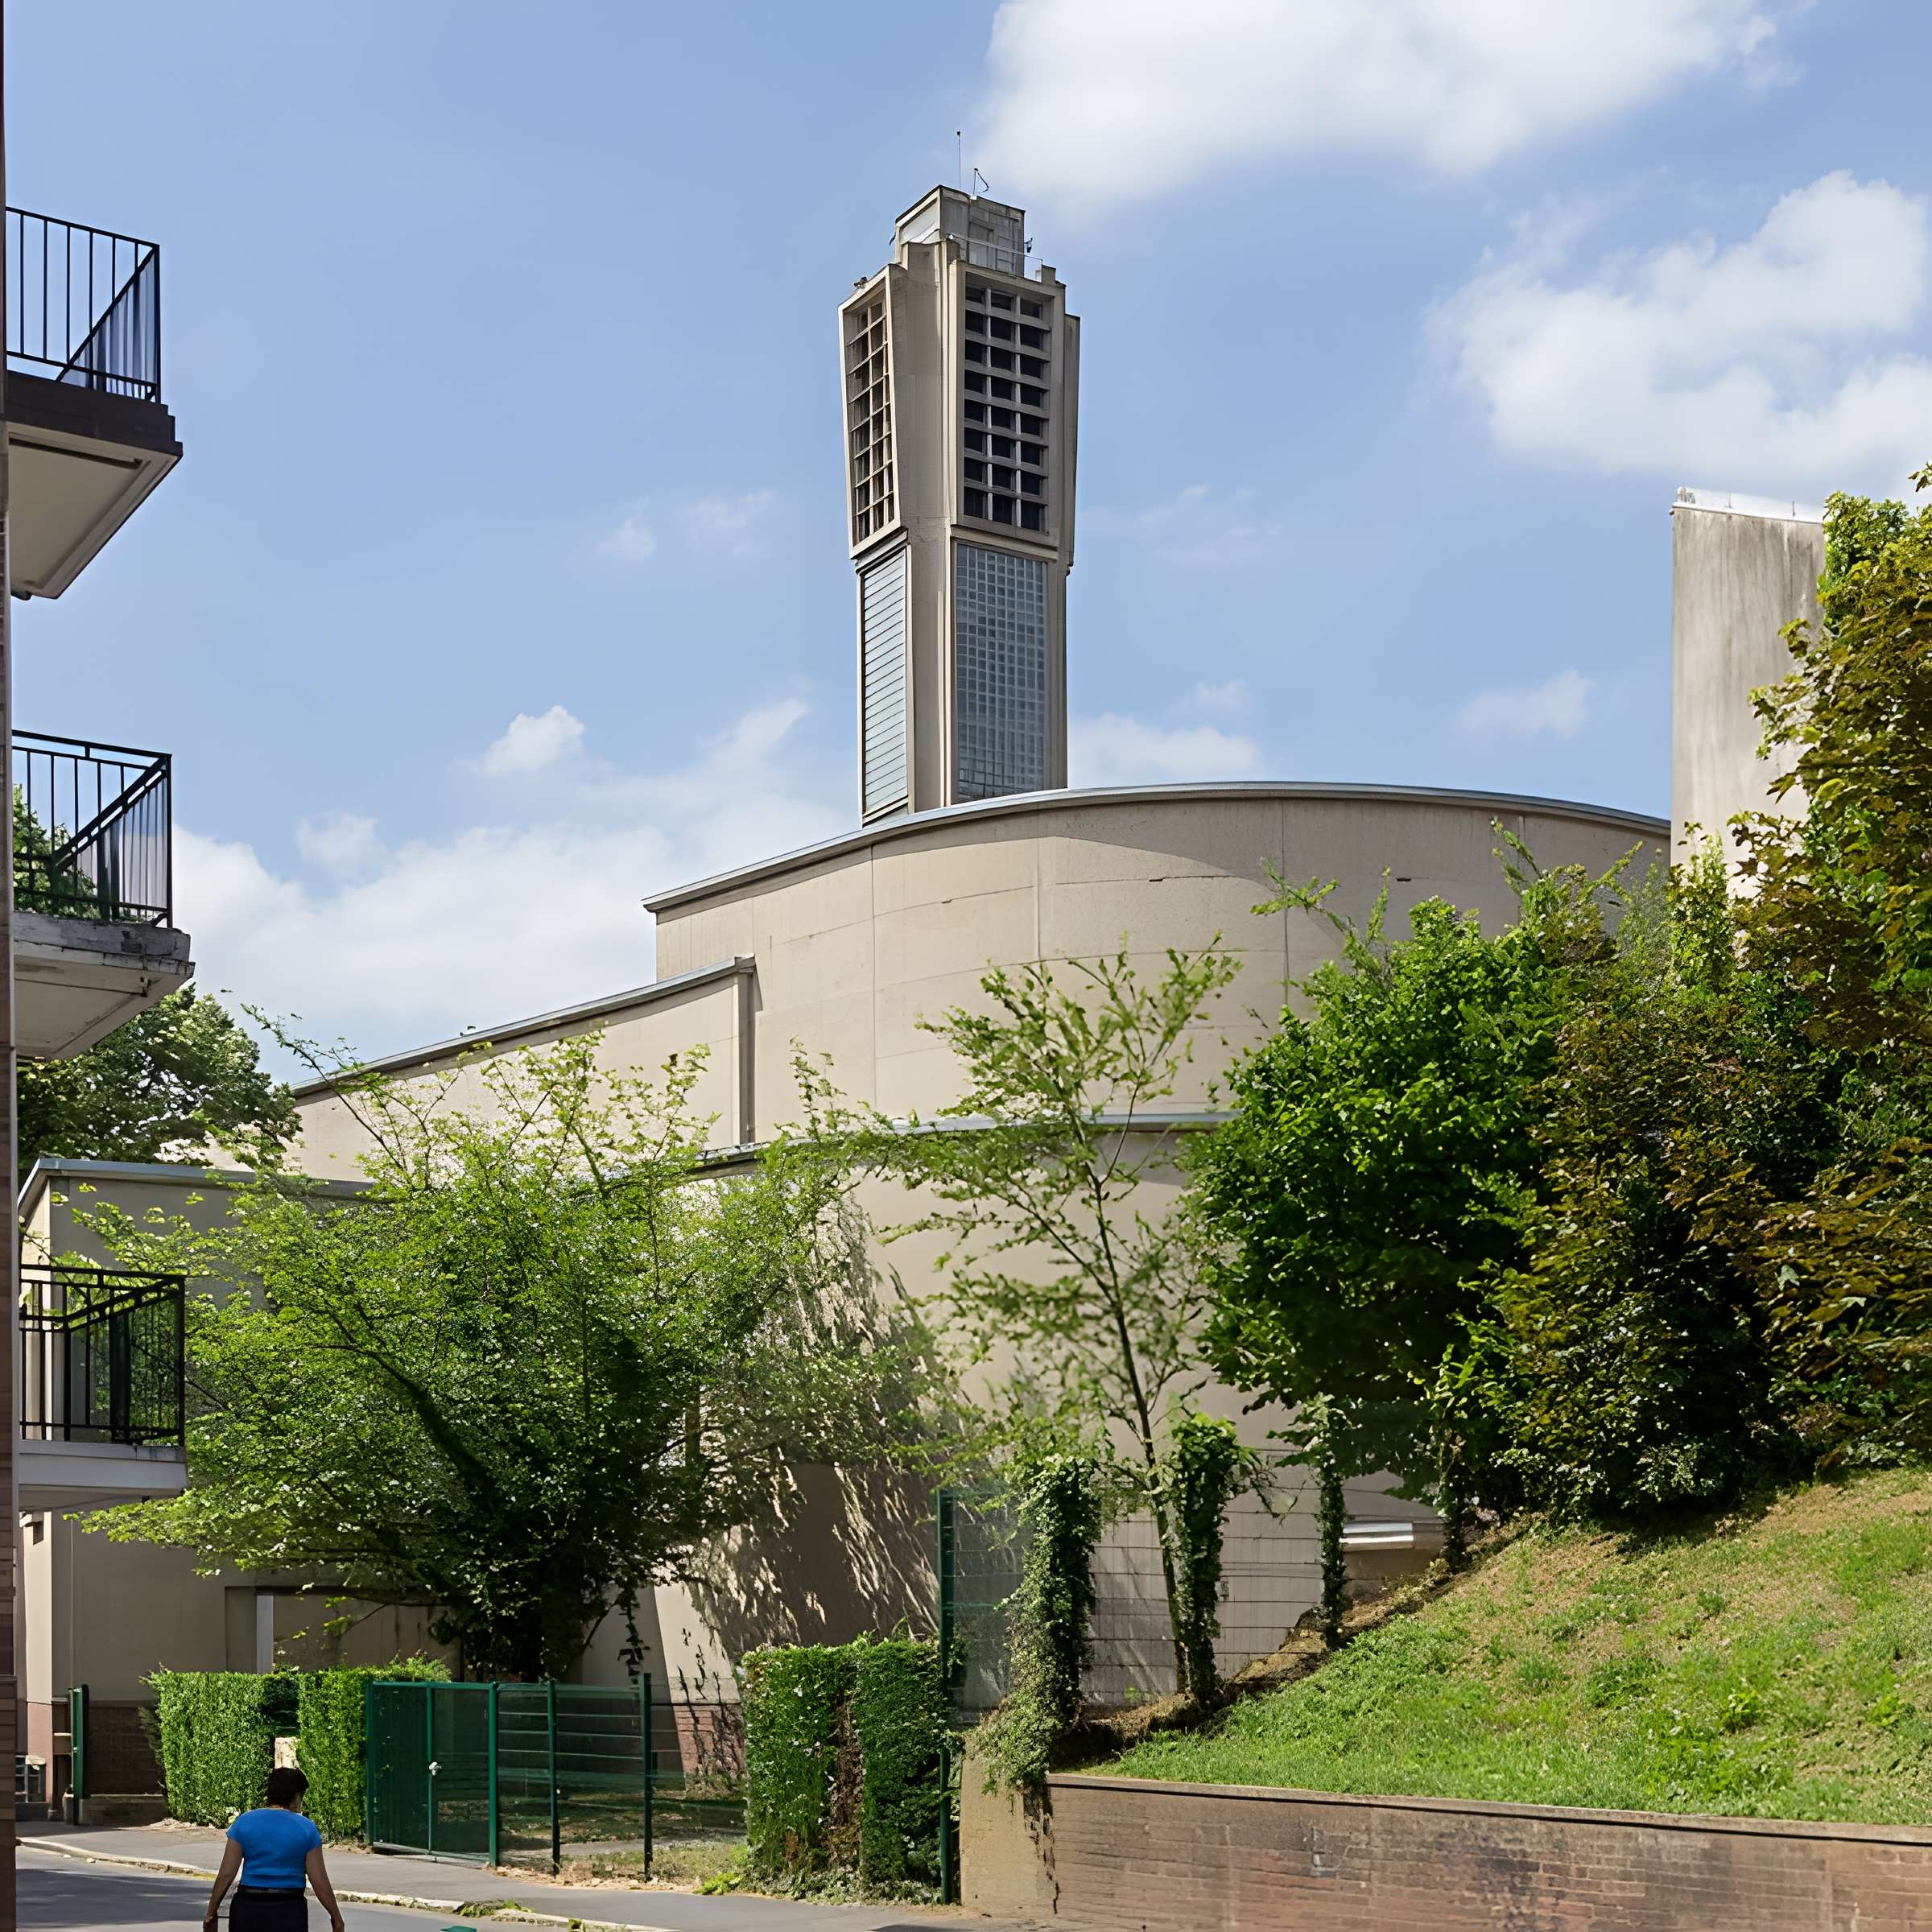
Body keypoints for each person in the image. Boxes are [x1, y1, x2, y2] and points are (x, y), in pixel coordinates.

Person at [202, 1765, 346, 1932]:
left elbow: (226, 1874)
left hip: (248, 1908)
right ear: (297, 1796)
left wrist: (211, 1913)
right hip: (289, 1909)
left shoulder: (244, 1822)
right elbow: (319, 1881)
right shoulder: (307, 1828)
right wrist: (336, 1917)